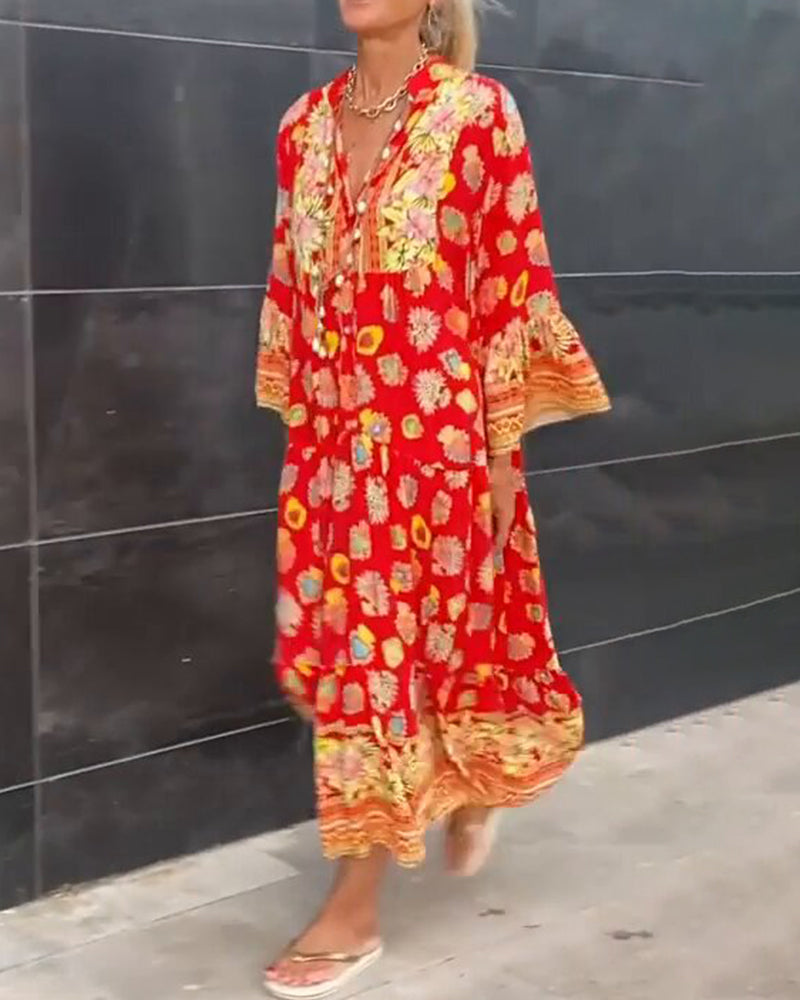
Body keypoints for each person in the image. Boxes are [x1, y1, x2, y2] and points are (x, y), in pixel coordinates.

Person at [256, 1, 610, 995]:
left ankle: (354, 903)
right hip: (332, 448)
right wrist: (306, 437)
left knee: (395, 652)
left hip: (436, 439)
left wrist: (498, 453)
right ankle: (462, 785)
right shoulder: (301, 126)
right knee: (330, 656)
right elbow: (290, 285)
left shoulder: (477, 113)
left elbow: (507, 283)